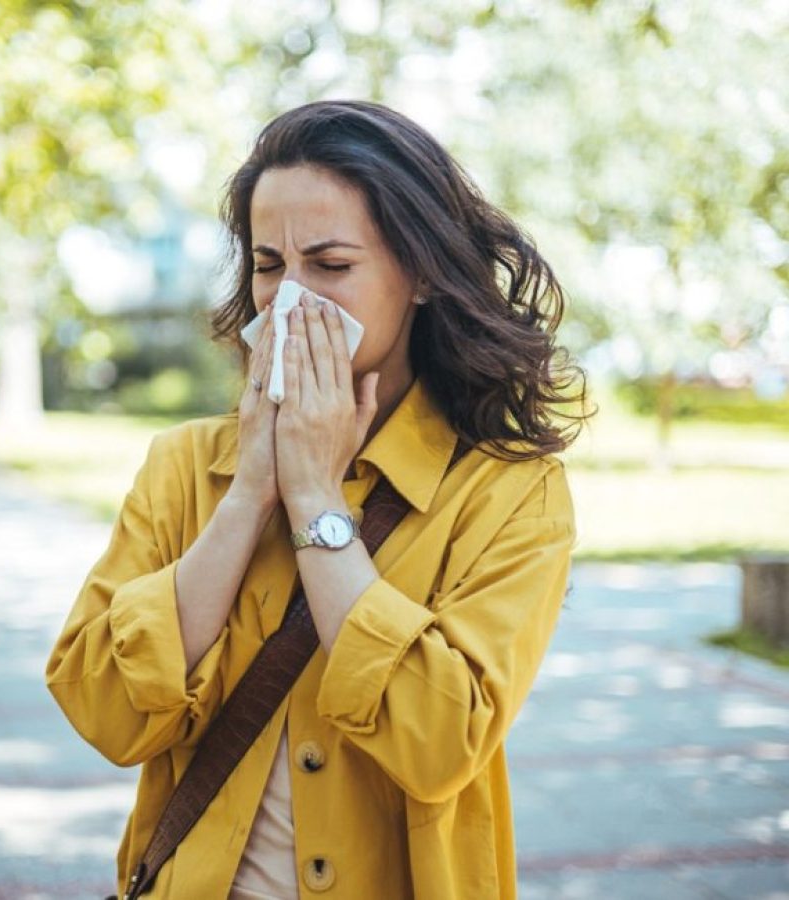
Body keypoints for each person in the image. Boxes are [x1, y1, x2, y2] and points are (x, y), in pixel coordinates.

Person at [47, 100, 589, 899]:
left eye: (330, 266)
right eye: (269, 265)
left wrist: (313, 498)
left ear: (421, 276)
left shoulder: (509, 493)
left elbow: (442, 743)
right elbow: (104, 710)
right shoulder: (184, 467)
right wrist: (250, 497)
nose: (289, 300)